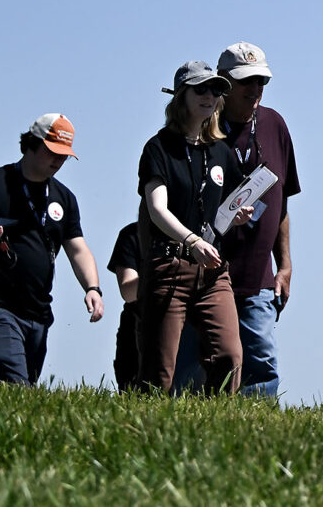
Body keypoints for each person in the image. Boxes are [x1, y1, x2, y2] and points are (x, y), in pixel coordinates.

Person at [0, 112, 105, 385]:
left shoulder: (64, 198)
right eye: (53, 152)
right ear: (31, 144)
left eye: (65, 155)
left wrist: (93, 288)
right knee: (15, 386)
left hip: (39, 313)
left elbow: (77, 249)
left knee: (22, 395)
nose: (59, 160)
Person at [138, 61, 245, 394]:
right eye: (201, 89)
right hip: (170, 266)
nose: (209, 96)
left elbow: (226, 209)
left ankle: (219, 428)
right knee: (160, 372)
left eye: (216, 90)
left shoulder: (222, 152)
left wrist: (238, 215)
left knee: (229, 356)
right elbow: (157, 209)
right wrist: (191, 240)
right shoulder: (159, 148)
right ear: (181, 96)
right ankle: (143, 431)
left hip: (213, 270)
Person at [215, 42, 300, 399]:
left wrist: (285, 265)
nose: (256, 89)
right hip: (208, 272)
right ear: (222, 83)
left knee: (262, 364)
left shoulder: (274, 124)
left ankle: (259, 435)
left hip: (258, 277)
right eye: (246, 81)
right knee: (206, 364)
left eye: (261, 80)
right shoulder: (205, 126)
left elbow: (280, 204)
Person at [104, 224, 145, 390]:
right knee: (131, 391)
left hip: (186, 328)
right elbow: (128, 292)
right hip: (135, 324)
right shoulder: (132, 234)